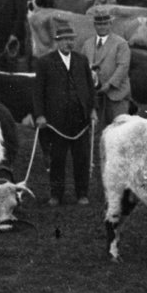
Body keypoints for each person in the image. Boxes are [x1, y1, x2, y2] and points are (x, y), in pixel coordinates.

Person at [32, 17, 96, 206]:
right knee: (57, 159)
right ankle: (56, 195)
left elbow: (90, 89)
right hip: (56, 122)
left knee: (82, 159)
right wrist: (40, 115)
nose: (69, 43)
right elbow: (37, 92)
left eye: (71, 39)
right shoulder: (45, 62)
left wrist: (92, 110)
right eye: (64, 39)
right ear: (57, 42)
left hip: (81, 121)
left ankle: (82, 193)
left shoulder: (82, 60)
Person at [88, 5, 133, 137]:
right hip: (96, 96)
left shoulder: (121, 44)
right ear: (94, 25)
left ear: (110, 24)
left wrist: (109, 85)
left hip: (116, 94)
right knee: (98, 133)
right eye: (98, 24)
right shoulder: (87, 44)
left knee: (118, 133)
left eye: (105, 23)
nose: (102, 27)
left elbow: (123, 67)